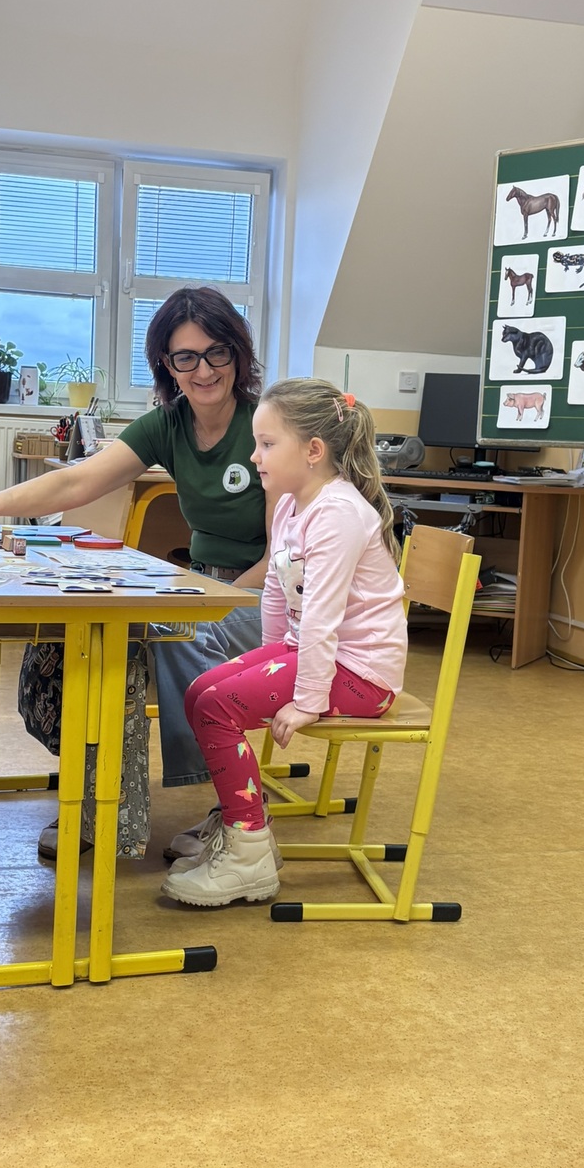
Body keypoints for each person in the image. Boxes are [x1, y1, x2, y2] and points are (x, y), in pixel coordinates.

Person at [0, 286, 273, 860]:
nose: (203, 370)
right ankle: (99, 798)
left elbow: (283, 557)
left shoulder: (266, 426)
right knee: (100, 634)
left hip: (267, 597)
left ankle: (235, 807)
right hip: (206, 583)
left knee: (175, 630)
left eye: (216, 352)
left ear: (238, 353)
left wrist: (207, 599)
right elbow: (76, 480)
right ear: (166, 364)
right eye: (185, 357)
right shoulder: (168, 424)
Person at [161, 378, 408, 908]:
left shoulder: (338, 514)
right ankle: (245, 825)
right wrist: (267, 660)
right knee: (201, 690)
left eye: (267, 444)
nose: (255, 456)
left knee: (217, 707)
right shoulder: (292, 505)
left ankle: (248, 853)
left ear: (313, 451)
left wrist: (306, 699)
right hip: (318, 656)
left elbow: (322, 615)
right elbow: (276, 592)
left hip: (362, 676)